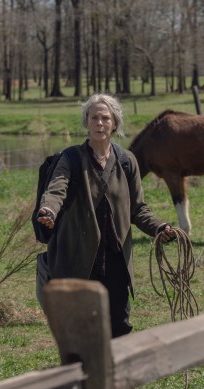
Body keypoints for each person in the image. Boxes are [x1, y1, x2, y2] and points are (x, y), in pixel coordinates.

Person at [36, 93, 175, 339]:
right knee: (79, 330)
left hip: (116, 260)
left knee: (120, 326)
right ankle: (82, 375)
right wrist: (48, 210)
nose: (99, 123)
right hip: (78, 260)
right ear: (86, 122)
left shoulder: (127, 161)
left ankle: (117, 376)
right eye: (94, 118)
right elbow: (56, 189)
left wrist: (159, 228)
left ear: (115, 124)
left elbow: (138, 209)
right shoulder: (71, 158)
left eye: (105, 118)